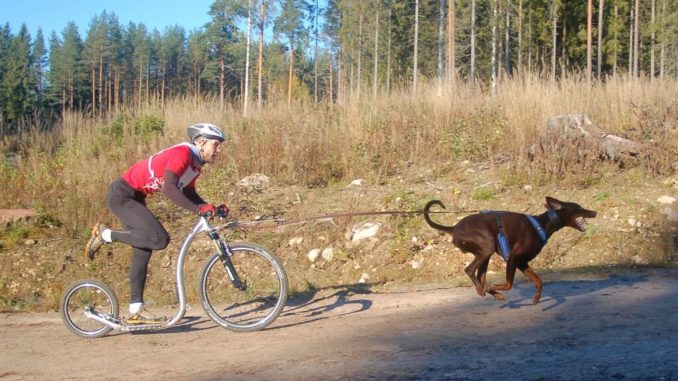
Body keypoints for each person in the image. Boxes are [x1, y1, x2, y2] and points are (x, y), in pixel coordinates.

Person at [85, 123, 229, 325]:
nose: (219, 150)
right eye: (216, 144)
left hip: (135, 197)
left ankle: (135, 311)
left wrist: (209, 207)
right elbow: (170, 189)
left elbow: (187, 192)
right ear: (201, 141)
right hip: (122, 195)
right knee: (160, 239)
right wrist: (198, 209)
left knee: (144, 248)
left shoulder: (195, 165)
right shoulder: (182, 154)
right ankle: (106, 235)